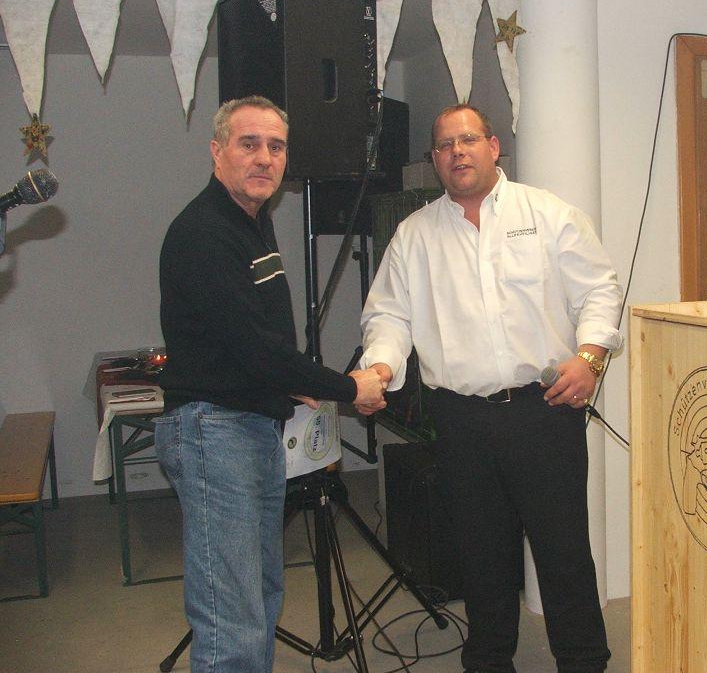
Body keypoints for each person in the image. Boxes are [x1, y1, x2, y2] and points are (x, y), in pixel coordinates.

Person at [359, 104, 623, 673]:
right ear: (434, 159)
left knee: (564, 552)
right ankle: (488, 662)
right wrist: (380, 368)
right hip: (462, 421)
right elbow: (389, 317)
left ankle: (584, 662)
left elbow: (599, 291)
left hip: (543, 413)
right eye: (445, 145)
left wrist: (590, 358)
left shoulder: (548, 214)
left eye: (468, 139)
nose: (457, 152)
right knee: (480, 556)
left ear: (493, 146)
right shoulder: (414, 236)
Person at [156, 95, 384, 673]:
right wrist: (346, 388)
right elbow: (255, 349)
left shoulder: (252, 224)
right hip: (215, 431)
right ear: (217, 152)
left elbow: (257, 344)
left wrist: (293, 385)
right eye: (249, 144)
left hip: (250, 427)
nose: (264, 158)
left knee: (259, 596)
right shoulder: (205, 232)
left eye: (276, 147)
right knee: (231, 613)